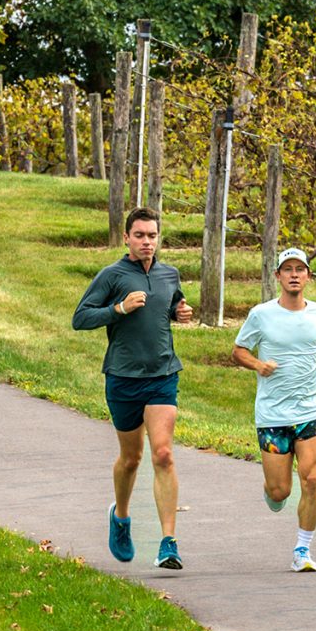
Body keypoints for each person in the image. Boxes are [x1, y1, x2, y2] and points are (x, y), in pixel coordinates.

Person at [71, 206, 195, 568]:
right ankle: (121, 517)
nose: (146, 242)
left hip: (162, 374)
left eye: (152, 235)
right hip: (123, 377)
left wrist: (180, 313)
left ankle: (168, 542)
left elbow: (171, 305)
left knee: (163, 454)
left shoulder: (169, 274)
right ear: (127, 238)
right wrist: (119, 309)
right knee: (131, 459)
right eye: (139, 235)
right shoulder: (112, 275)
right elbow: (80, 318)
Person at [233, 246, 316, 572]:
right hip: (272, 415)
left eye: (300, 269)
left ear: (308, 276)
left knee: (312, 479)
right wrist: (257, 364)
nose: (294, 274)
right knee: (280, 489)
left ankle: (302, 550)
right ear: (278, 276)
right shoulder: (261, 315)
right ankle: (273, 491)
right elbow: (238, 351)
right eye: (288, 269)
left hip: (311, 410)